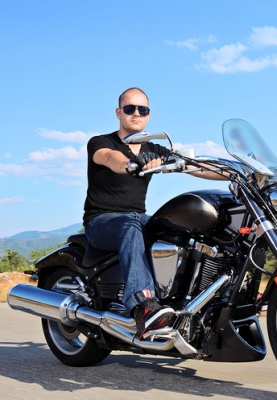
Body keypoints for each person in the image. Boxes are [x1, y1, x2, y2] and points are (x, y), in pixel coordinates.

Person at [83, 87, 226, 339]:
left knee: (183, 229)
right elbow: (108, 158)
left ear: (148, 114)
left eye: (143, 109)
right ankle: (143, 305)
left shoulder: (154, 149)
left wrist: (235, 174)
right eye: (130, 109)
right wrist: (129, 164)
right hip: (102, 221)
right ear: (119, 112)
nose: (136, 113)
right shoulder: (101, 142)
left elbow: (195, 167)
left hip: (138, 218)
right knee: (130, 226)